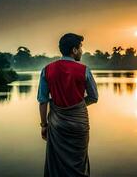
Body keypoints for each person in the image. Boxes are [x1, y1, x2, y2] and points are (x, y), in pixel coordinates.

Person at [37, 33, 98, 177]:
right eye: (81, 48)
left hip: (57, 125)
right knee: (79, 164)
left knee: (56, 166)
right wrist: (78, 106)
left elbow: (43, 100)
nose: (82, 51)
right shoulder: (84, 70)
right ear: (74, 50)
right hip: (79, 125)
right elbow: (94, 97)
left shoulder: (47, 70)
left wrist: (44, 125)